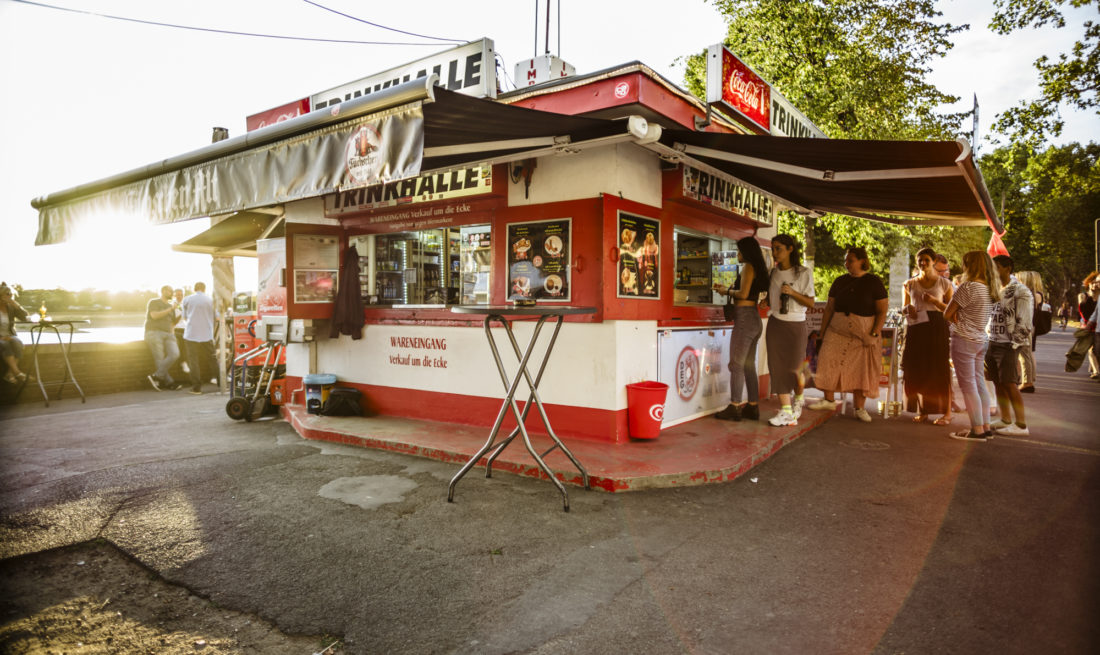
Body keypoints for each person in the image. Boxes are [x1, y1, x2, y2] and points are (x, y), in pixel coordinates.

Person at [807, 247, 888, 422]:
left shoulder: (874, 282)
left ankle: (860, 408)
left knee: (861, 370)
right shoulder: (839, 281)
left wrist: (874, 334)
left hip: (863, 332)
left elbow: (882, 311)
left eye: (850, 260)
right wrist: (822, 332)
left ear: (862, 261)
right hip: (837, 329)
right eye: (845, 260)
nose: (846, 264)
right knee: (828, 360)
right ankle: (829, 400)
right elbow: (829, 308)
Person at [943, 251, 1001, 441]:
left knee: (968, 387)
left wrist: (955, 323)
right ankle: (985, 426)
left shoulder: (967, 287)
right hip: (980, 339)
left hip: (964, 339)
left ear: (970, 265)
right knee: (979, 384)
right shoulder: (989, 289)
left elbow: (947, 313)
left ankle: (976, 430)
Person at [712, 236, 769, 421]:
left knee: (736, 364)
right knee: (748, 365)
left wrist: (725, 291)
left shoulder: (748, 267)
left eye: (739, 251)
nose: (737, 254)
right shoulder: (758, 268)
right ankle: (752, 406)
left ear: (746, 252)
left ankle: (735, 406)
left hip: (744, 319)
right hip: (754, 319)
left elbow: (743, 293)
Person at [763, 234, 815, 427]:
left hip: (796, 324)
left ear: (790, 249)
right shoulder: (773, 273)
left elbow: (810, 302)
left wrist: (792, 293)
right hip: (776, 323)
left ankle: (799, 397)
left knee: (795, 368)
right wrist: (766, 301)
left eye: (779, 248)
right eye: (773, 248)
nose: (775, 253)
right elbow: (772, 298)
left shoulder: (803, 272)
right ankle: (785, 411)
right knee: (777, 367)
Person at [901, 248, 954, 424]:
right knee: (917, 368)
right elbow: (903, 308)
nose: (923, 263)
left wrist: (934, 301)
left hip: (937, 327)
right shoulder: (909, 284)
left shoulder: (944, 284)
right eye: (920, 260)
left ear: (933, 261)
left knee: (939, 369)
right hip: (916, 327)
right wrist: (908, 309)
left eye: (926, 260)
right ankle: (922, 411)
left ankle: (946, 413)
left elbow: (951, 311)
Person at [986, 255, 1032, 436]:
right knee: (998, 382)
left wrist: (1015, 345)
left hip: (1008, 344)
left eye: (996, 267)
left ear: (1008, 268)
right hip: (993, 340)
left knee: (1010, 383)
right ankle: (1005, 419)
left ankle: (1021, 425)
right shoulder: (995, 288)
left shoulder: (1020, 290)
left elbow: (1025, 322)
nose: (993, 271)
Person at [181, 281, 218, 395]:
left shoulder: (187, 299)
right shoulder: (211, 300)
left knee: (193, 361)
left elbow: (185, 317)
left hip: (191, 334)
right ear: (204, 289)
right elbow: (216, 318)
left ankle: (196, 388)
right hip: (207, 334)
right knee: (212, 359)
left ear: (194, 288)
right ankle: (222, 384)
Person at [144, 285, 180, 391]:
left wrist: (181, 313)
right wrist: (170, 309)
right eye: (170, 291)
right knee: (159, 359)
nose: (172, 293)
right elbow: (154, 316)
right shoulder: (154, 302)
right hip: (154, 333)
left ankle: (156, 376)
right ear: (163, 291)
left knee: (175, 354)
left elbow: (172, 323)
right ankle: (169, 383)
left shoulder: (171, 306)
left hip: (168, 334)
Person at [1014, 270, 1045, 393]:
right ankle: (1027, 380)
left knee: (1024, 354)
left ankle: (1027, 381)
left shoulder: (1031, 294)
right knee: (1026, 353)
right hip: (1028, 326)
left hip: (1025, 326)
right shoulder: (1034, 294)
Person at [0, 282, 29, 384]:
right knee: (5, 345)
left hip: (10, 335)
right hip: (1, 338)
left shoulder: (11, 307)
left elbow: (25, 318)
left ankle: (9, 374)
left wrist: (17, 306)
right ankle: (16, 372)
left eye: (11, 294)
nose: (10, 296)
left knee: (18, 343)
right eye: (7, 294)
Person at [1079, 272, 1100, 379]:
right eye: (1093, 283)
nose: (1095, 285)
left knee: (1096, 350)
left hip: (1097, 326)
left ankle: (1094, 368)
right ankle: (1096, 372)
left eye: (1097, 283)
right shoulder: (1084, 297)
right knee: (1091, 349)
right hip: (1089, 326)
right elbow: (1083, 313)